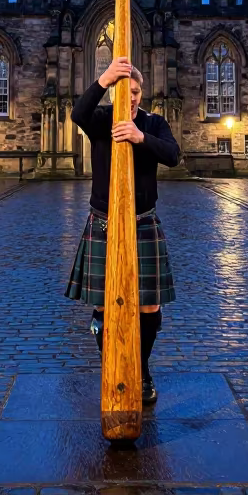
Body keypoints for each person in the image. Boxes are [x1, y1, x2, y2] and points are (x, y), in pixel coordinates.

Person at [64, 56, 180, 405]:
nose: (130, 97)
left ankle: (141, 370)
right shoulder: (100, 121)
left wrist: (140, 136)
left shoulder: (153, 123)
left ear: (141, 94)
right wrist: (103, 79)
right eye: (123, 90)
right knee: (102, 308)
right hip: (104, 223)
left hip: (143, 221)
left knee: (149, 306)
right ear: (114, 92)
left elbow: (173, 155)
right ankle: (111, 364)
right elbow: (77, 115)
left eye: (135, 91)